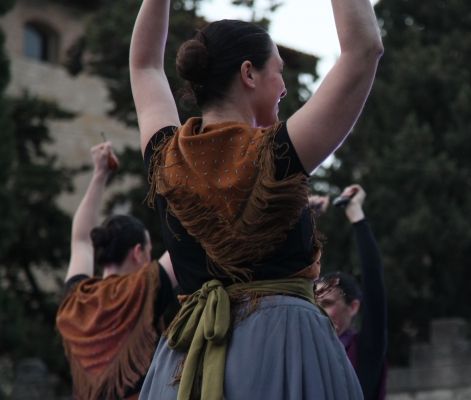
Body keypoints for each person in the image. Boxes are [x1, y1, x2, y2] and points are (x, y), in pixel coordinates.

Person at [129, 0, 382, 397]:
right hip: (283, 349)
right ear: (249, 73)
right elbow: (365, 49)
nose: (284, 87)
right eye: (278, 71)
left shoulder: (165, 157)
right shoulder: (278, 153)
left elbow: (144, 66)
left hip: (184, 368)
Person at [56, 141, 178, 400]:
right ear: (137, 253)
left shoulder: (76, 300)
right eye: (148, 251)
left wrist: (99, 174)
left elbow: (79, 240)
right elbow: (185, 244)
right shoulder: (143, 288)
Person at [312, 185, 388, 400]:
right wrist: (303, 218)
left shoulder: (366, 350)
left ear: (353, 307)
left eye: (327, 303)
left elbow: (374, 281)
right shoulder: (309, 349)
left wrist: (356, 215)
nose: (320, 313)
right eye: (316, 305)